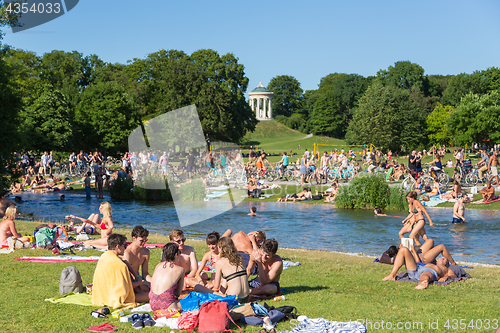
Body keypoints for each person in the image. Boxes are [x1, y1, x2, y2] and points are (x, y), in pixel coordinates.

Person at [92, 233, 148, 308]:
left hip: (102, 295)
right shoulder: (120, 266)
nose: (125, 249)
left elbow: (124, 261)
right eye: (124, 246)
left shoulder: (105, 256)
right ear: (118, 246)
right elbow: (127, 287)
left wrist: (135, 275)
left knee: (145, 287)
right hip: (115, 298)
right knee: (151, 294)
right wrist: (138, 283)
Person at [194, 237, 250, 303]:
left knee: (197, 287)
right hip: (246, 298)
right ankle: (221, 295)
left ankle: (220, 297)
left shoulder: (219, 262)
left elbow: (216, 286)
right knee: (227, 278)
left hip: (232, 299)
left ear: (221, 248)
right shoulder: (240, 258)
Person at [382, 245, 456, 289]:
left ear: (446, 264)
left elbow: (453, 275)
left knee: (426, 275)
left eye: (444, 259)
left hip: (429, 272)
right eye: (440, 257)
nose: (441, 258)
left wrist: (446, 277)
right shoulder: (433, 264)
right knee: (403, 249)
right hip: (417, 268)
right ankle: (392, 275)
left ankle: (423, 282)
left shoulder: (446, 269)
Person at [149, 242, 184, 311]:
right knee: (190, 303)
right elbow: (177, 293)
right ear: (176, 255)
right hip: (168, 305)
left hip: (153, 303)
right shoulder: (180, 270)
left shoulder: (158, 265)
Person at [123, 226, 152, 294]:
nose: (144, 243)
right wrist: (140, 282)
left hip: (138, 279)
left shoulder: (146, 252)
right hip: (129, 280)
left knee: (154, 286)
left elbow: (145, 273)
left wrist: (152, 281)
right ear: (134, 238)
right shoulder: (127, 253)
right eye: (141, 241)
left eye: (145, 240)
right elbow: (126, 274)